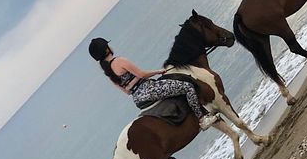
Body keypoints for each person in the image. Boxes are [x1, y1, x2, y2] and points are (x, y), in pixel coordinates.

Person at [87, 38, 219, 130]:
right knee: (187, 87)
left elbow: (127, 91)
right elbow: (142, 74)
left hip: (138, 100)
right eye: (108, 45)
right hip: (149, 90)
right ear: (106, 50)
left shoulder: (108, 72)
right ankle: (202, 120)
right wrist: (158, 71)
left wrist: (132, 84)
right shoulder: (120, 61)